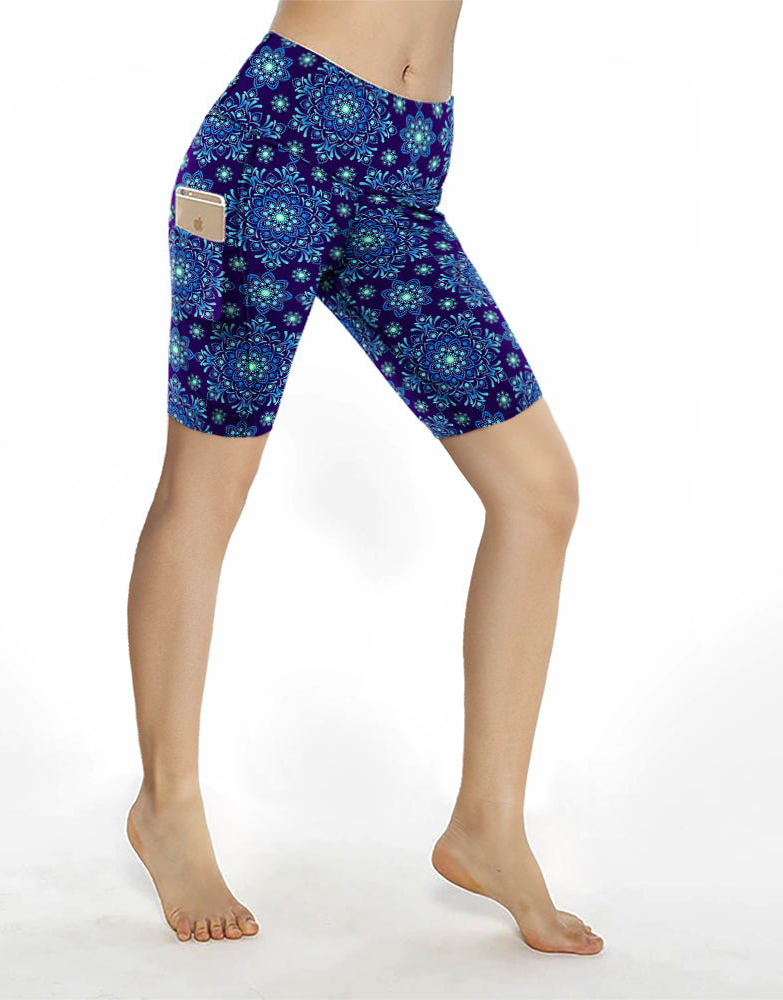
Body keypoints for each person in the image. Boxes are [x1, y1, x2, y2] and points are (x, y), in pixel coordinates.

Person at [126, 0, 603, 954]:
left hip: (407, 161)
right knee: (205, 494)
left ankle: (489, 823)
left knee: (538, 492)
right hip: (280, 144)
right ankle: (167, 806)